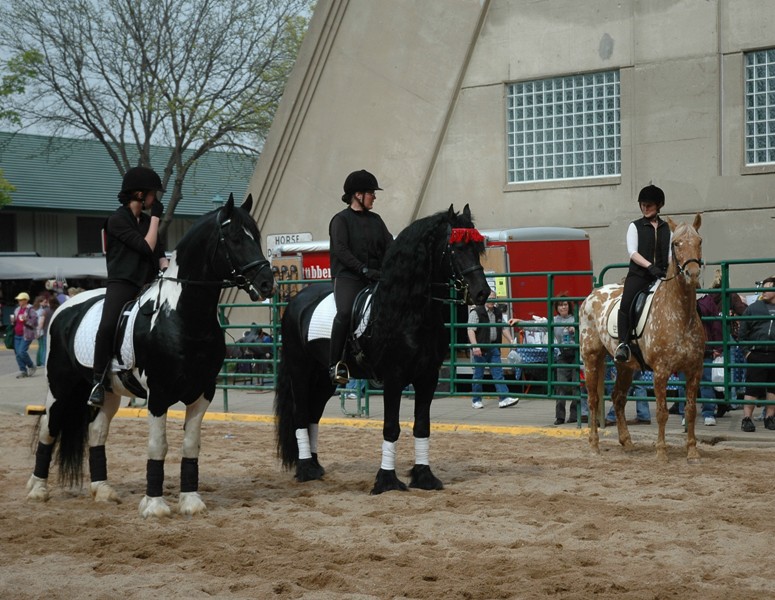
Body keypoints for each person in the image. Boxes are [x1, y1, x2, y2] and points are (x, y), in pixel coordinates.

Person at [89, 166, 168, 407]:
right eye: (153, 193)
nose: (156, 199)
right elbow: (145, 247)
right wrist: (156, 218)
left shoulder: (145, 221)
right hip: (123, 282)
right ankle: (98, 381)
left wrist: (167, 268)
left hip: (148, 282)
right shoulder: (116, 221)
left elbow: (159, 253)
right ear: (139, 194)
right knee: (108, 325)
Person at [328, 169, 393, 385]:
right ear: (358, 195)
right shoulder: (340, 220)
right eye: (371, 193)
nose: (374, 196)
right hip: (349, 277)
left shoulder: (377, 220)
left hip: (376, 276)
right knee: (345, 313)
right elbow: (340, 250)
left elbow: (389, 245)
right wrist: (362, 269)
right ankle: (335, 364)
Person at [615, 184, 671, 363]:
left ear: (659, 206)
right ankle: (623, 344)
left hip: (662, 275)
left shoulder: (667, 228)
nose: (645, 208)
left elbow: (670, 254)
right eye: (643, 205)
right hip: (640, 274)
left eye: (649, 205)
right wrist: (649, 266)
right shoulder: (635, 226)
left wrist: (667, 270)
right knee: (626, 303)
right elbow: (633, 252)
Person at [468, 292, 519, 409]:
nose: (491, 301)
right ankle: (476, 400)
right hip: (480, 348)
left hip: (494, 346)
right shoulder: (476, 311)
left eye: (493, 299)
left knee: (498, 374)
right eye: (489, 298)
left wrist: (511, 340)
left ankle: (504, 398)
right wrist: (475, 346)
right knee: (478, 375)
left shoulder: (497, 312)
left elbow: (503, 328)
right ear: (484, 299)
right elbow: (471, 330)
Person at [738, 276, 775, 433]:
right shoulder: (754, 308)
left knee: (773, 388)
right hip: (757, 354)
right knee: (752, 388)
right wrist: (747, 352)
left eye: (768, 287)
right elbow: (742, 332)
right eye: (763, 287)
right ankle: (747, 419)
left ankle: (770, 418)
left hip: (774, 354)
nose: (764, 290)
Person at [552, 296, 579, 424]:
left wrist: (576, 329)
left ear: (569, 306)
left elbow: (586, 330)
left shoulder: (575, 319)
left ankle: (574, 415)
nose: (563, 307)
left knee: (576, 386)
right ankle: (560, 416)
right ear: (556, 308)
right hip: (563, 354)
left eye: (565, 304)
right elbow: (539, 326)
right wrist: (519, 322)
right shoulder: (554, 320)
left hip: (575, 354)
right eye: (560, 305)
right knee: (561, 386)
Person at [10, 292, 38, 378]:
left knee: (22, 352)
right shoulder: (17, 309)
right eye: (18, 300)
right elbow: (15, 321)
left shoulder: (31, 310)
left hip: (26, 334)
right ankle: (23, 371)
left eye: (21, 300)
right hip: (17, 334)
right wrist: (13, 320)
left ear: (26, 300)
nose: (19, 301)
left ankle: (31, 366)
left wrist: (26, 320)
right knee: (18, 354)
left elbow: (34, 321)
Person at [34, 295, 52, 367]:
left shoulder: (34, 309)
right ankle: (42, 361)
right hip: (40, 330)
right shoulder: (42, 310)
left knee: (40, 346)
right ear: (40, 302)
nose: (46, 303)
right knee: (43, 346)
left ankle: (38, 361)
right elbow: (41, 322)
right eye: (45, 302)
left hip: (36, 329)